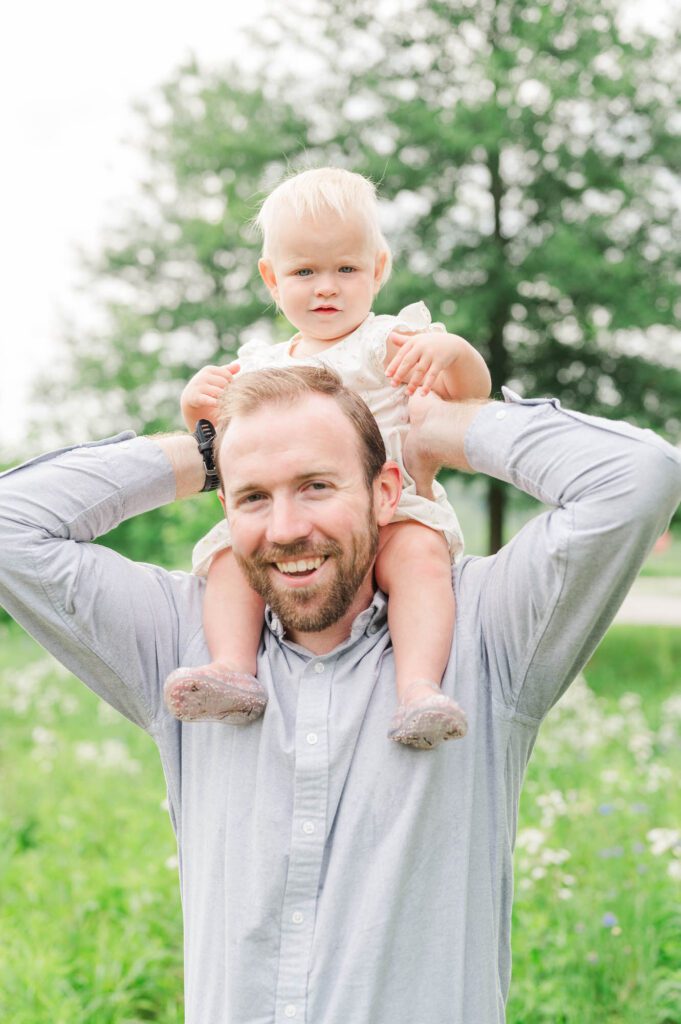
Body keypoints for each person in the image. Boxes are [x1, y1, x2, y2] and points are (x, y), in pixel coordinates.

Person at [0, 365, 679, 1024]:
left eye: (316, 485)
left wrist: (443, 426)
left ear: (385, 491)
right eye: (253, 496)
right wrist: (208, 450)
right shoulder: (183, 643)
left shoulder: (488, 630)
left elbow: (637, 478)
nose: (287, 528)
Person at [164, 166, 492, 749]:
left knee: (419, 559)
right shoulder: (259, 363)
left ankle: (418, 688)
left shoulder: (387, 340)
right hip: (297, 512)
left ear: (378, 269)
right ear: (270, 278)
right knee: (226, 561)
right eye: (304, 272)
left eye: (346, 269)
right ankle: (233, 669)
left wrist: (455, 352)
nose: (326, 288)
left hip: (394, 509)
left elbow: (470, 399)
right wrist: (196, 409)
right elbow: (225, 447)